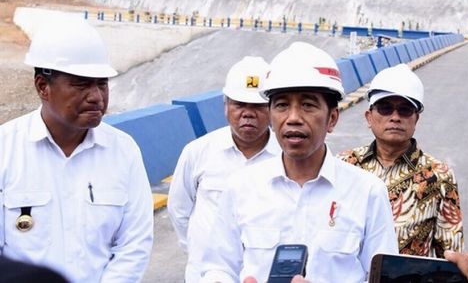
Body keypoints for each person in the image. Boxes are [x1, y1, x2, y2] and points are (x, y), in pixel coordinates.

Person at [199, 41, 398, 282]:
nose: (293, 118)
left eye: (307, 105)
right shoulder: (241, 187)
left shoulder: (367, 192)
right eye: (282, 105)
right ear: (271, 116)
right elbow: (217, 268)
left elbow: (382, 279)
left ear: (332, 118)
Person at [0, 17, 153, 282]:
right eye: (81, 84)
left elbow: (134, 244)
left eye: (102, 84)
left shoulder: (124, 151)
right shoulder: (5, 149)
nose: (96, 96)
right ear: (42, 87)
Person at [168, 56, 280, 282]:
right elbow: (179, 210)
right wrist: (200, 253)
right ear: (226, 106)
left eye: (258, 106)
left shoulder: (287, 158)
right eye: (239, 104)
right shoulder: (198, 152)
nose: (248, 113)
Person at [339, 63, 463, 257]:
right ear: (369, 117)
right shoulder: (345, 165)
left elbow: (451, 254)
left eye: (405, 110)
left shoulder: (438, 176)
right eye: (385, 108)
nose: (395, 117)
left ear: (416, 120)